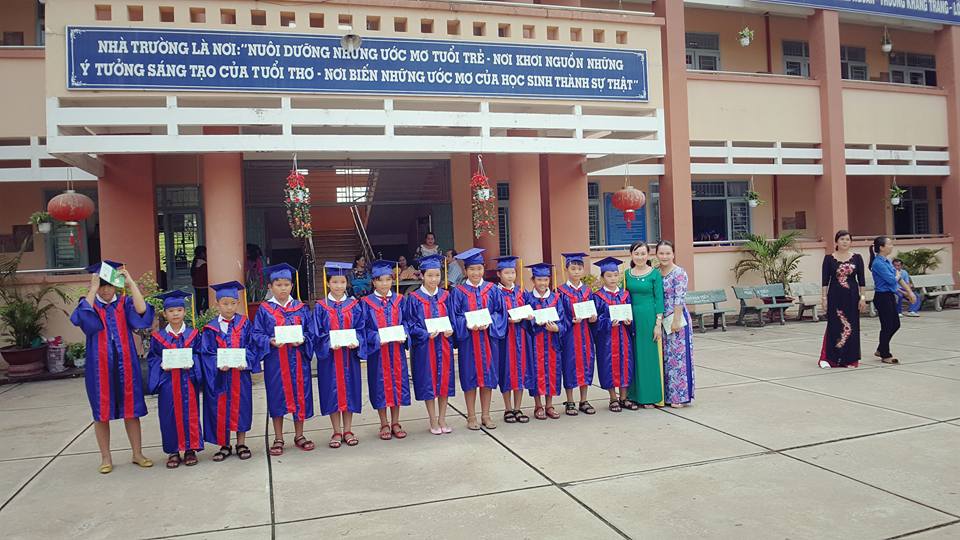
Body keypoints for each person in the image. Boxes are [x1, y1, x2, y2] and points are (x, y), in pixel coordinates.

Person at [70, 260, 155, 474]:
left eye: (109, 285)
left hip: (126, 365)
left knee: (131, 410)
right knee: (101, 412)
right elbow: (81, 319)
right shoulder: (89, 304)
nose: (106, 290)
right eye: (102, 286)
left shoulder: (124, 303)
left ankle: (137, 453)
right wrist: (92, 289)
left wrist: (130, 282)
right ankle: (106, 457)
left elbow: (142, 311)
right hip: (99, 367)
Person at [252, 263, 316, 456]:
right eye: (278, 285)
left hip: (298, 360)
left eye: (286, 284)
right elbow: (256, 334)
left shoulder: (301, 308)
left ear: (292, 286)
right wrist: (269, 341)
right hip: (276, 362)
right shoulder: (264, 309)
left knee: (299, 396)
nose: (283, 288)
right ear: (270, 287)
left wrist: (303, 339)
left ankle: (299, 435)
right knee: (277, 397)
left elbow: (310, 332)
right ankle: (278, 437)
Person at [199, 281, 259, 462]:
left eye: (233, 303)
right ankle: (224, 445)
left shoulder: (245, 323)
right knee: (221, 408)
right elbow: (206, 353)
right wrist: (217, 364)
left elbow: (252, 346)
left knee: (242, 407)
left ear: (238, 303)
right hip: (221, 377)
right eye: (225, 303)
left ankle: (241, 443)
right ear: (217, 304)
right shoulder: (210, 328)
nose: (229, 307)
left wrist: (245, 361)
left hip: (240, 376)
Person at [451, 248, 506, 430]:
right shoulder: (458, 292)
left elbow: (500, 313)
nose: (476, 273)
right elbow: (455, 317)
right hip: (469, 341)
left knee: (487, 378)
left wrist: (490, 322)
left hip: (488, 340)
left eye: (479, 269)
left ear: (484, 268)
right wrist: (467, 323)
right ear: (466, 270)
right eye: (472, 269)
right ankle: (471, 416)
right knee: (470, 378)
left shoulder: (492, 290)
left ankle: (486, 415)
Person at [147, 290, 204, 469]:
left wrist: (193, 362)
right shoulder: (158, 337)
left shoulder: (193, 334)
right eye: (171, 311)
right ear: (165, 314)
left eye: (179, 310)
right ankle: (173, 451)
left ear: (184, 312)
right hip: (168, 382)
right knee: (168, 415)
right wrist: (161, 364)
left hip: (188, 381)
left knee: (190, 414)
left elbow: (199, 354)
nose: (175, 314)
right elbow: (153, 358)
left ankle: (190, 449)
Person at [313, 262, 365, 448]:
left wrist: (357, 341)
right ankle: (336, 431)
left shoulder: (354, 305)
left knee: (350, 391)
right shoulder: (320, 307)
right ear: (328, 283)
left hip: (349, 356)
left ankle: (348, 430)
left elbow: (361, 328)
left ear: (346, 283)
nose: (338, 286)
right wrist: (328, 343)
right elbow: (316, 333)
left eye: (342, 282)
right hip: (330, 358)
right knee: (331, 392)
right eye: (334, 282)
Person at [404, 254, 456, 435]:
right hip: (425, 347)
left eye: (437, 275)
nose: (434, 279)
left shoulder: (446, 296)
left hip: (444, 345)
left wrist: (451, 330)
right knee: (429, 382)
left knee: (444, 381)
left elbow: (453, 319)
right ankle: (433, 418)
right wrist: (424, 334)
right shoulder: (414, 298)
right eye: (430, 275)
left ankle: (442, 418)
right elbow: (410, 324)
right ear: (422, 276)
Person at [361, 260, 412, 441]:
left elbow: (407, 322)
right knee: (380, 385)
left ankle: (396, 422)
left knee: (397, 384)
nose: (384, 284)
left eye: (388, 279)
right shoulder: (366, 303)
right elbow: (363, 328)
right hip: (378, 352)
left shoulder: (399, 300)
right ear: (373, 282)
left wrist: (404, 333)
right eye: (380, 280)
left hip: (396, 351)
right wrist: (376, 337)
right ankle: (384, 423)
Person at [594, 256, 642, 412]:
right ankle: (613, 398)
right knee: (609, 365)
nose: (613, 278)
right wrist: (608, 322)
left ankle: (624, 397)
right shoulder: (598, 296)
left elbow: (631, 315)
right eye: (609, 276)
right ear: (602, 278)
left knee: (625, 364)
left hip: (623, 336)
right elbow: (595, 320)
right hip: (607, 339)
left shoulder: (625, 295)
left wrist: (629, 322)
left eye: (615, 275)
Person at [623, 244, 664, 408]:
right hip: (631, 319)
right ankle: (633, 395)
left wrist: (658, 323)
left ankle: (650, 396)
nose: (639, 257)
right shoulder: (626, 274)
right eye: (636, 253)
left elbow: (659, 299)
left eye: (643, 253)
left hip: (648, 318)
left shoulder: (654, 274)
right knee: (633, 356)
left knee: (648, 357)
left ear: (648, 255)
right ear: (631, 255)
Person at [819, 231, 867, 369]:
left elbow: (862, 280)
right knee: (834, 325)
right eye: (842, 239)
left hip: (852, 296)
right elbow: (825, 281)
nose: (845, 242)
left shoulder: (857, 258)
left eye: (847, 239)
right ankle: (829, 359)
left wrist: (862, 298)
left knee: (852, 326)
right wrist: (824, 298)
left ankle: (849, 359)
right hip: (835, 296)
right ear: (836, 241)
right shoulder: (829, 259)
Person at [557, 252, 597, 416]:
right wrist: (570, 321)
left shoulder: (588, 291)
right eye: (573, 268)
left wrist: (594, 318)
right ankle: (570, 401)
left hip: (585, 334)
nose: (576, 271)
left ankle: (584, 400)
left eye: (579, 268)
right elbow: (559, 314)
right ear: (566, 269)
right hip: (570, 335)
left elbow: (593, 311)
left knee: (586, 364)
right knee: (569, 365)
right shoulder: (560, 291)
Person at [656, 241, 695, 408]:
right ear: (656, 254)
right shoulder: (656, 272)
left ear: (673, 254)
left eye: (668, 253)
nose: (664, 256)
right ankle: (666, 395)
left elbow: (679, 297)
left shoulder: (679, 273)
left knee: (678, 359)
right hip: (661, 320)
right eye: (661, 253)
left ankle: (679, 396)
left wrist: (677, 320)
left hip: (676, 319)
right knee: (665, 358)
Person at [524, 263, 565, 420]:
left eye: (546, 280)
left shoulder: (556, 298)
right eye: (539, 279)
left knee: (552, 372)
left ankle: (549, 405)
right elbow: (524, 322)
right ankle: (538, 405)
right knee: (537, 372)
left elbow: (563, 320)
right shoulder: (527, 298)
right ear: (533, 280)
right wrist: (532, 321)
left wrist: (557, 328)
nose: (543, 283)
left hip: (551, 341)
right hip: (535, 342)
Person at [495, 255, 533, 424]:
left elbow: (530, 310)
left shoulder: (521, 292)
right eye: (507, 273)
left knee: (521, 371)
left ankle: (518, 408)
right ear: (499, 274)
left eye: (513, 272)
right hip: (506, 338)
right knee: (506, 371)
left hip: (521, 337)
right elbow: (493, 314)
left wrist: (529, 317)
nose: (510, 276)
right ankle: (508, 408)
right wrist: (506, 320)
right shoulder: (495, 293)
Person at [869, 237, 916, 364]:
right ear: (881, 247)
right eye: (889, 244)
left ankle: (881, 348)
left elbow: (899, 279)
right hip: (882, 297)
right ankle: (885, 354)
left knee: (895, 324)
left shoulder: (887, 261)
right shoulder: (878, 263)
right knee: (887, 326)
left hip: (889, 296)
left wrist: (909, 292)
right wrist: (897, 275)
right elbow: (892, 280)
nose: (891, 246)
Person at [190, 246, 209, 311]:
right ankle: (203, 312)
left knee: (199, 301)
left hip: (197, 285)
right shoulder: (203, 264)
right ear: (202, 253)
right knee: (208, 301)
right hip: (203, 286)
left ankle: (199, 313)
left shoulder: (196, 261)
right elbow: (205, 276)